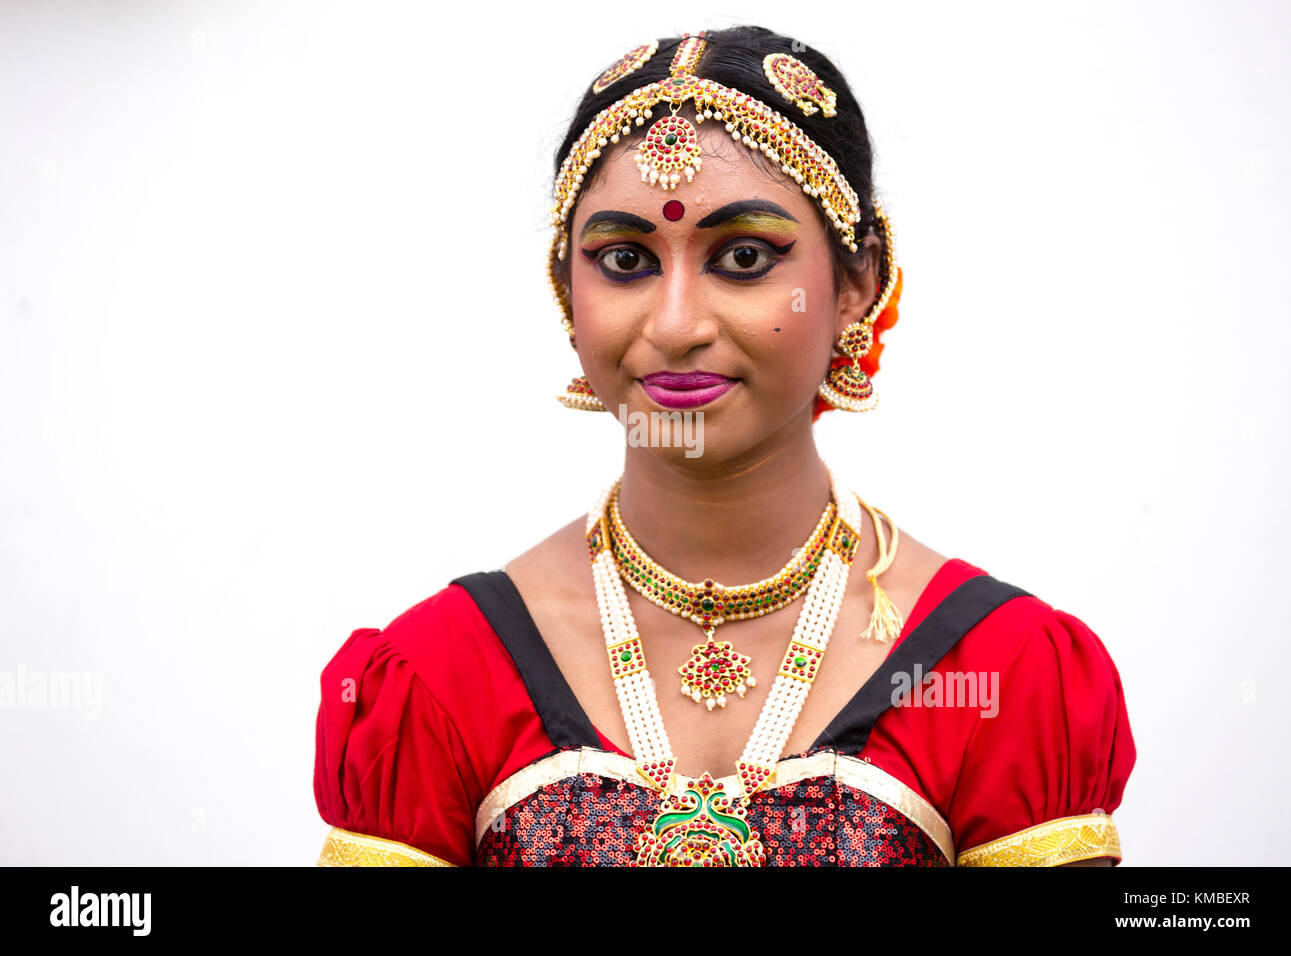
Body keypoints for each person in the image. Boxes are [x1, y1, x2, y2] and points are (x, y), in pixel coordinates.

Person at [312, 25, 1136, 867]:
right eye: (624, 259)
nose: (675, 326)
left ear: (858, 283)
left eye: (743, 257)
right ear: (567, 291)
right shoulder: (440, 677)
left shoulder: (997, 675)